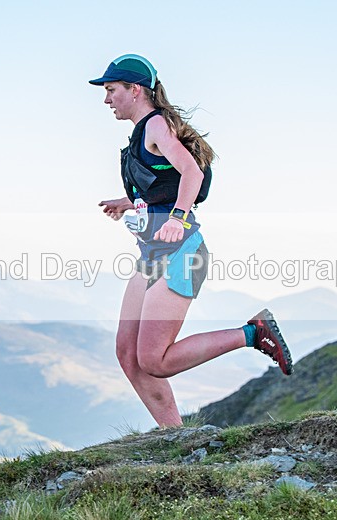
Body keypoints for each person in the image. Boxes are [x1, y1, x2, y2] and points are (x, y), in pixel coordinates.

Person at [90, 54, 292, 427]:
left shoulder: (155, 126)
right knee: (127, 354)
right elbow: (165, 182)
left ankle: (253, 333)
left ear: (134, 90)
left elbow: (191, 172)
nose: (107, 100)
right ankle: (172, 435)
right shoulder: (142, 132)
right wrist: (128, 201)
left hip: (182, 252)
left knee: (155, 360)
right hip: (152, 254)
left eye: (111, 90)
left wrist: (179, 217)